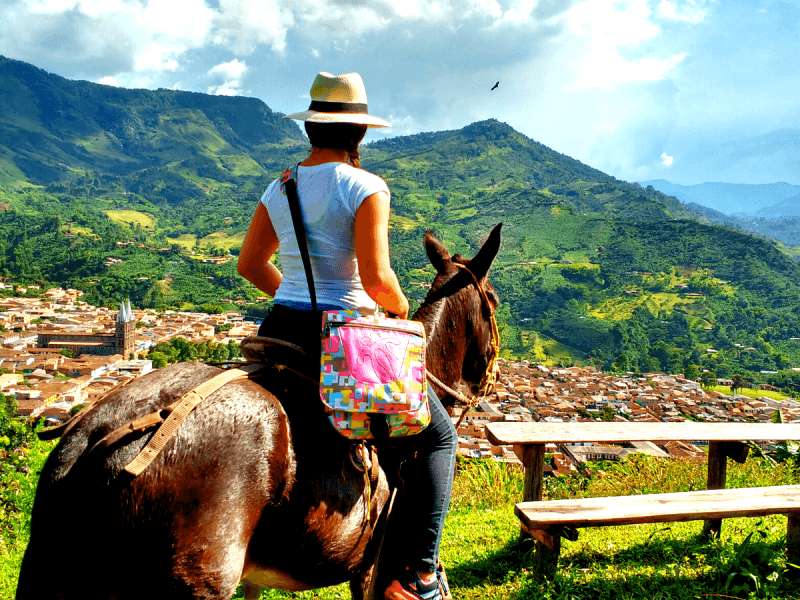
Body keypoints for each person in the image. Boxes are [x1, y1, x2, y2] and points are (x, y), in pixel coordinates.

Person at [237, 72, 456, 600]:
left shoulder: (280, 185)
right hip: (345, 339)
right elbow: (378, 280)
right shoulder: (366, 187)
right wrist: (402, 316)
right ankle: (419, 575)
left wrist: (293, 295)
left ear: (311, 127)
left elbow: (250, 264)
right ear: (359, 134)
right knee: (438, 436)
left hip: (281, 330)